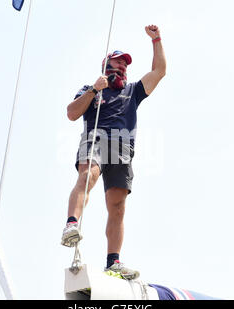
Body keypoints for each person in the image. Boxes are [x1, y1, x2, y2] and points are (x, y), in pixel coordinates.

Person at [61, 25, 166, 280]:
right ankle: (71, 224)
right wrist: (94, 90)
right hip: (96, 137)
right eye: (118, 63)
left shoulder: (133, 91)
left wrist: (156, 40)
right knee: (88, 176)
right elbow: (72, 113)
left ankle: (113, 263)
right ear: (107, 66)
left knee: (117, 206)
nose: (122, 68)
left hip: (122, 145)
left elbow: (159, 71)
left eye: (125, 65)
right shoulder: (91, 89)